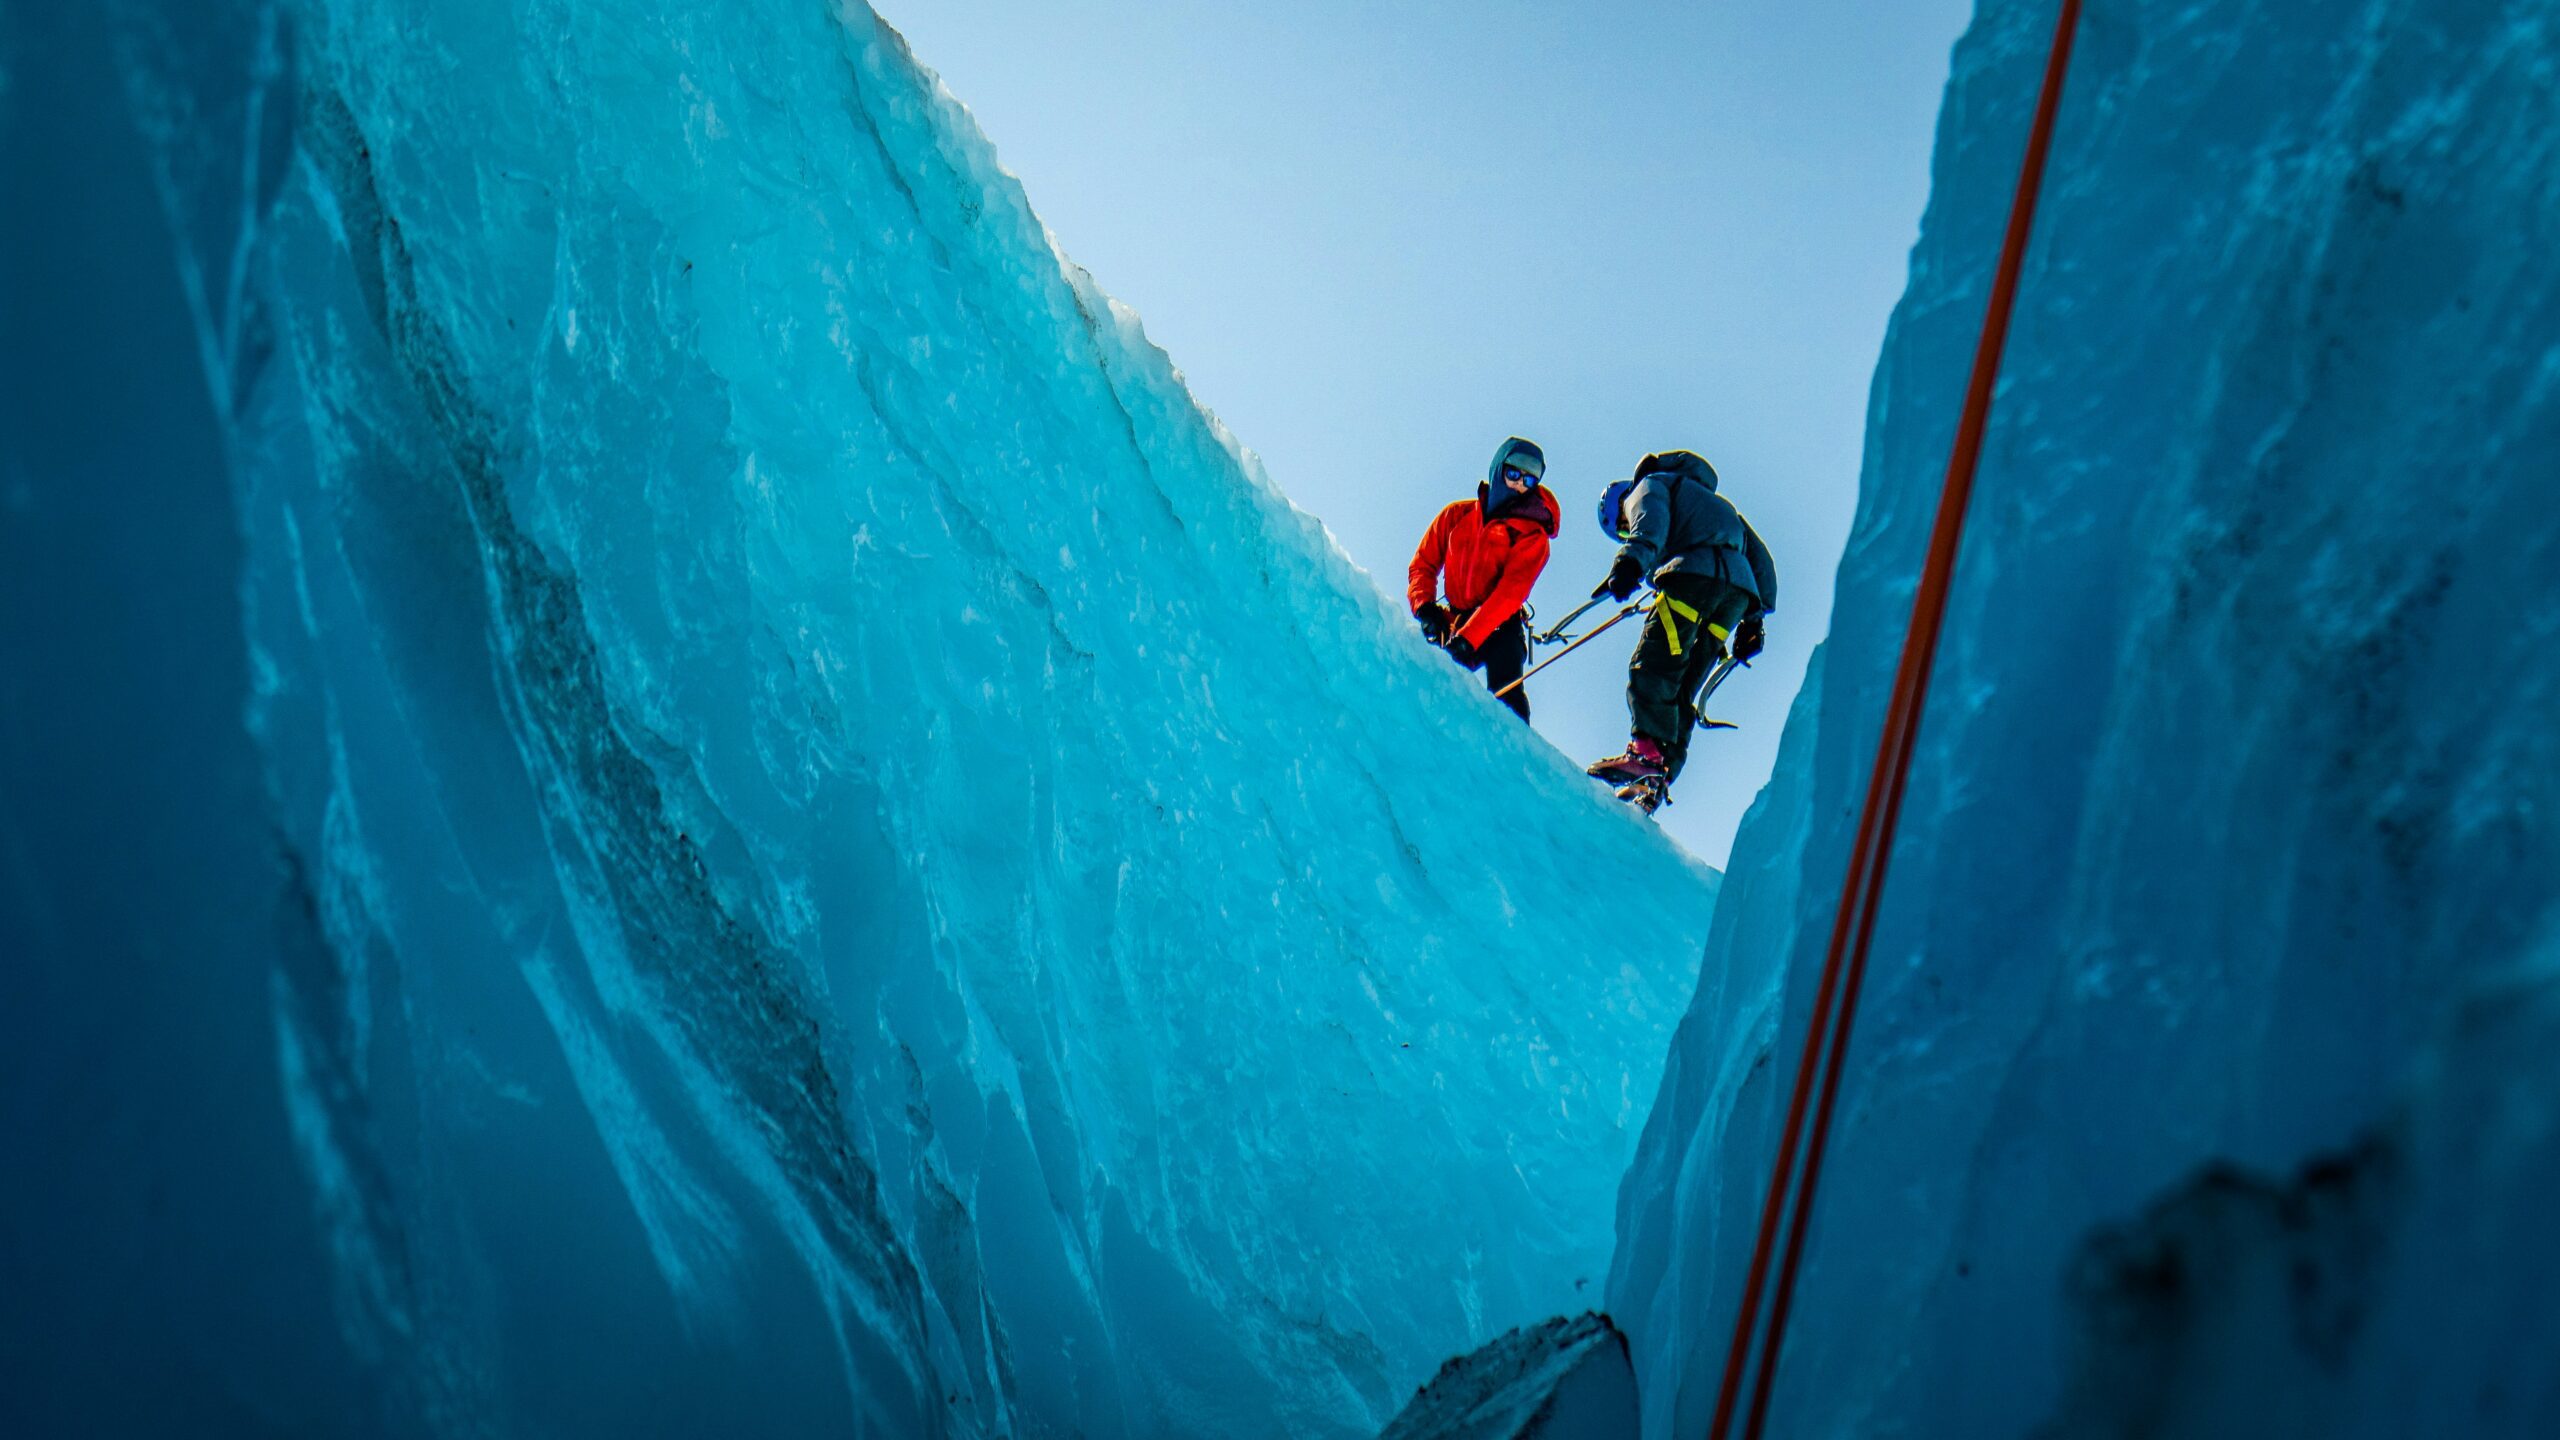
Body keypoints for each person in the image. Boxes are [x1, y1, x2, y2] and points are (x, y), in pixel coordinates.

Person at [1584, 451, 1777, 810]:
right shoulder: (1715, 503)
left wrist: (1630, 560)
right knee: (1683, 685)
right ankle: (1659, 776)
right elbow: (1760, 557)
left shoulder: (1649, 486)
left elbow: (1649, 526)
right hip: (1735, 596)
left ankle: (1644, 757)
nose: (1626, 530)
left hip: (1691, 579)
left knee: (1653, 666)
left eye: (1622, 528)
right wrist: (1755, 620)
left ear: (1619, 508)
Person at [1407, 437, 1561, 721]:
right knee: (1426, 676)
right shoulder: (1457, 516)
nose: (1518, 484)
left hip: (1500, 623)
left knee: (1506, 690)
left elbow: (1509, 594)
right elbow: (1423, 565)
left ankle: (1516, 754)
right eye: (1513, 473)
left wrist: (1468, 639)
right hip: (1454, 621)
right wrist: (1425, 608)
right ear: (1498, 468)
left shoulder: (1531, 536)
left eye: (1529, 480)